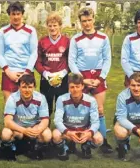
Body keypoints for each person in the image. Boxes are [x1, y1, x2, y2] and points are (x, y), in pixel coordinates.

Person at [68, 7, 112, 153]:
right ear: (80, 22)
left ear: (94, 19)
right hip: (82, 77)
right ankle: (73, 141)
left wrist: (101, 78)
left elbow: (107, 59)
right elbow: (71, 61)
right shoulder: (76, 39)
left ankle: (103, 142)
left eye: (89, 20)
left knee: (99, 110)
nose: (87, 24)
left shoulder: (103, 38)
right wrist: (82, 79)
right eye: (83, 21)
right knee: (78, 110)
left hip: (98, 76)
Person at [0, 74, 51, 161]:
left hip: (34, 127)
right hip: (18, 129)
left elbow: (45, 120)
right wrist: (23, 130)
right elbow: (7, 121)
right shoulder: (12, 98)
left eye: (30, 87)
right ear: (19, 87)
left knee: (47, 135)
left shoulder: (41, 98)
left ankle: (36, 148)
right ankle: (11, 149)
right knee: (5, 133)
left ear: (34, 87)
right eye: (24, 87)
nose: (27, 90)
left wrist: (37, 130)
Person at [52, 73, 103, 160]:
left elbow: (95, 122)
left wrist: (88, 133)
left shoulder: (91, 100)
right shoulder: (61, 99)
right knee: (56, 135)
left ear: (82, 86)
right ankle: (63, 148)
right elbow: (57, 121)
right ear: (68, 87)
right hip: (68, 130)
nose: (75, 90)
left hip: (84, 130)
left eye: (77, 86)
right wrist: (68, 132)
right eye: (72, 87)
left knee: (99, 139)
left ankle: (86, 146)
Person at [0, 1, 38, 102]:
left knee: (27, 104)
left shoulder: (31, 31)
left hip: (26, 72)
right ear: (9, 15)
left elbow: (34, 53)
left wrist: (26, 72)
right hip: (9, 72)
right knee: (9, 104)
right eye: (13, 14)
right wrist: (8, 72)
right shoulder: (2, 31)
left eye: (18, 14)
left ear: (22, 14)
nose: (16, 17)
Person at [35, 12, 70, 117]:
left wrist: (62, 73)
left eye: (55, 25)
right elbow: (37, 61)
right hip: (46, 79)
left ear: (60, 26)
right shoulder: (42, 41)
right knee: (46, 107)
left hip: (62, 78)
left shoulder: (67, 41)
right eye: (50, 25)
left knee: (62, 106)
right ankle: (46, 130)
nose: (52, 28)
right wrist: (46, 74)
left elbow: (71, 60)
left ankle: (61, 130)